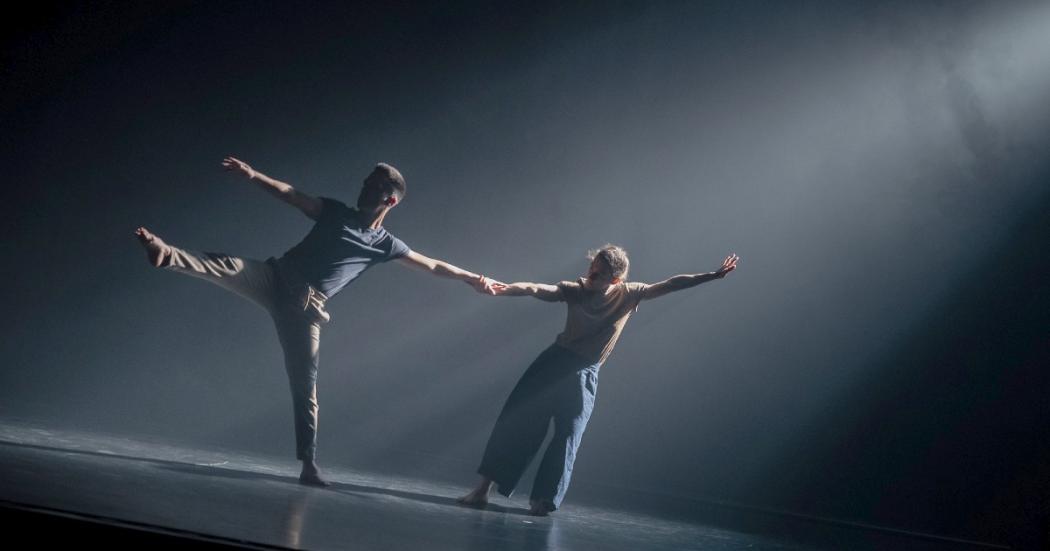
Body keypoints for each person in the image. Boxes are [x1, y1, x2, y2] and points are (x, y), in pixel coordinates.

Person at [135, 156, 500, 486]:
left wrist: (473, 278)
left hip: (304, 309)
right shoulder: (335, 212)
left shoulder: (386, 244)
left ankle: (308, 464)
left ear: (389, 200)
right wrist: (251, 175)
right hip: (274, 277)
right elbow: (293, 195)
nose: (363, 188)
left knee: (305, 386)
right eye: (364, 181)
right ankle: (166, 254)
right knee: (227, 265)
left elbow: (434, 265)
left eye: (372, 186)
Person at [458, 245, 738, 514]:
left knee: (569, 435)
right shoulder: (576, 290)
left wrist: (711, 275)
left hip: (584, 371)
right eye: (590, 268)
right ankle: (482, 490)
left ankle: (543, 500)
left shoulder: (630, 294)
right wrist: (504, 288)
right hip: (554, 362)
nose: (588, 275)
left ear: (614, 279)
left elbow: (672, 284)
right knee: (518, 420)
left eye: (596, 273)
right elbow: (537, 288)